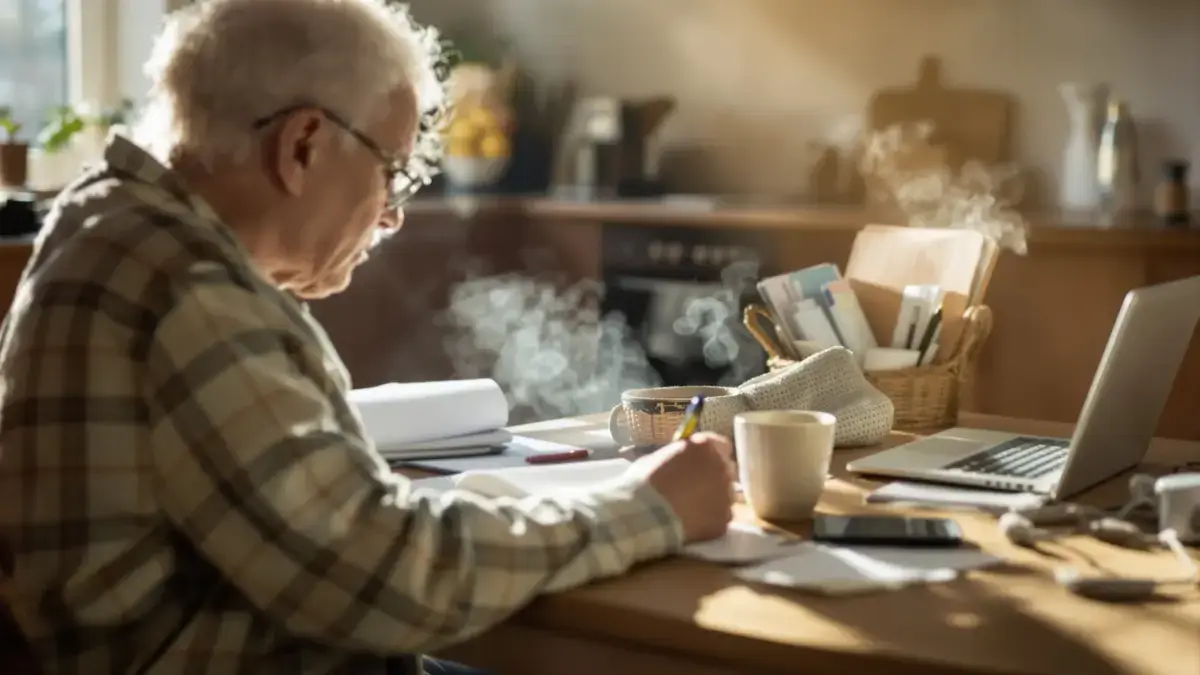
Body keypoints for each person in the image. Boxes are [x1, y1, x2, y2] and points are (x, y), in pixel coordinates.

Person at [0, 1, 737, 674]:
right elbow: (385, 575)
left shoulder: (101, 218)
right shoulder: (192, 288)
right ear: (304, 145)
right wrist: (650, 506)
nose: (391, 216)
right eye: (393, 170)